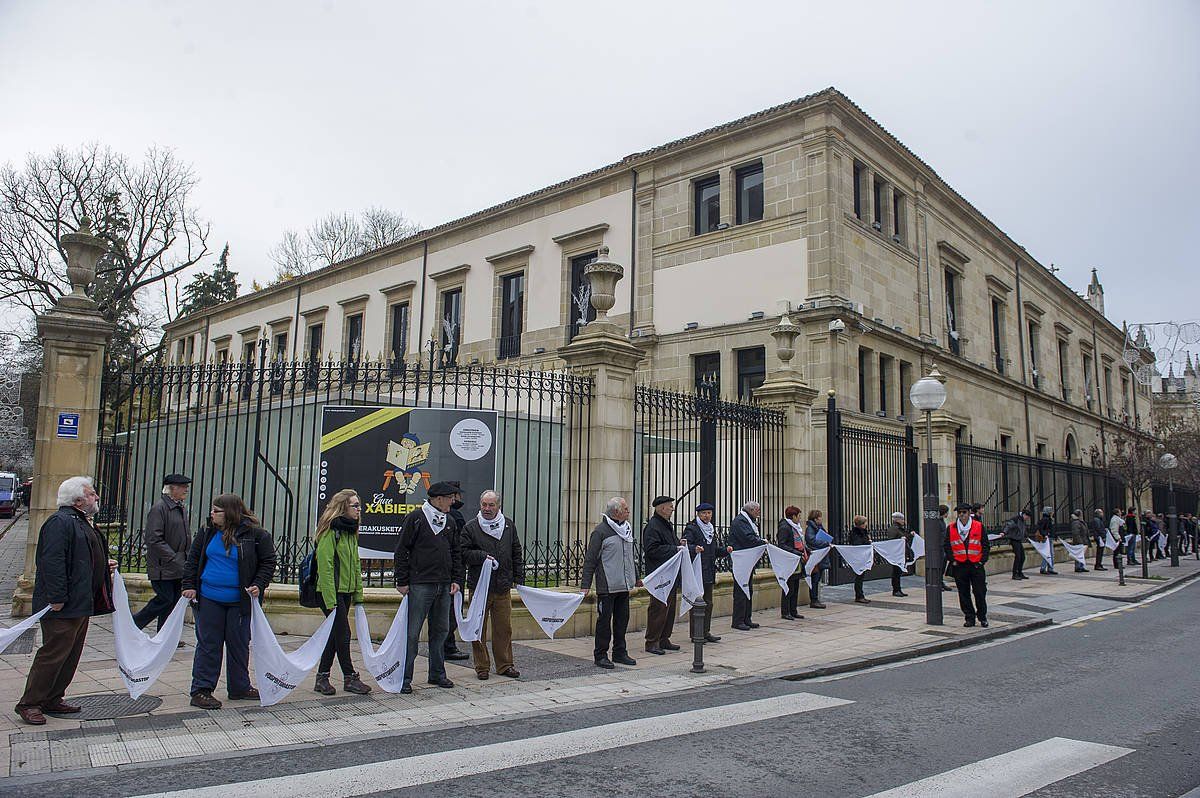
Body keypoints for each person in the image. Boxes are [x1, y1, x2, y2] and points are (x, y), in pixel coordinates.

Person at [15, 477, 116, 726]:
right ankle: (30, 703)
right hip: (64, 605)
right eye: (92, 494)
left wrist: (104, 566)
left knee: (70, 654)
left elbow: (83, 558)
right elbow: (52, 562)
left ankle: (53, 697)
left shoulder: (79, 522)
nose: (97, 498)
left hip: (80, 602)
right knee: (53, 653)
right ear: (78, 500)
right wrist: (57, 598)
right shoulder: (60, 522)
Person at [183, 494, 276, 710]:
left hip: (239, 600)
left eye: (217, 511)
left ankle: (239, 686)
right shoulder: (207, 533)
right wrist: (189, 585)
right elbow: (193, 560)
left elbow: (268, 562)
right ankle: (201, 690)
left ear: (231, 513)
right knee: (209, 644)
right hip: (209, 598)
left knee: (239, 644)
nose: (212, 514)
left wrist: (259, 584)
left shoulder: (256, 535)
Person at [394, 481, 463, 693]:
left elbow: (455, 552)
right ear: (438, 498)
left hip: (443, 584)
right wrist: (402, 581)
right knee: (412, 633)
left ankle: (437, 673)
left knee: (441, 630)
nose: (453, 502)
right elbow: (402, 550)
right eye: (450, 498)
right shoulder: (416, 518)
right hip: (420, 584)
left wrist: (457, 579)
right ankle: (404, 678)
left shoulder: (449, 521)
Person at [311, 489, 371, 696]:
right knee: (343, 634)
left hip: (344, 591)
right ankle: (350, 677)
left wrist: (357, 594)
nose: (359, 509)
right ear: (343, 507)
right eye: (355, 505)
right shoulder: (330, 531)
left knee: (336, 635)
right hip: (330, 592)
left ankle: (322, 678)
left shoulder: (350, 531)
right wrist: (330, 600)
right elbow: (325, 566)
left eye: (359, 505)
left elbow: (355, 563)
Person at [461, 489, 525, 680]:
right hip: (480, 587)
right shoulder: (471, 527)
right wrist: (481, 557)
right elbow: (463, 553)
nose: (487, 509)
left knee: (504, 628)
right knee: (478, 628)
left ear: (498, 506)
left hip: (502, 587)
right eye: (484, 505)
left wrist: (518, 577)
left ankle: (505, 665)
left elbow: (516, 551)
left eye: (491, 505)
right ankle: (482, 666)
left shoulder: (508, 526)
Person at [581, 497, 638, 669]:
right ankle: (601, 654)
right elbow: (590, 559)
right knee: (604, 622)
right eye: (626, 509)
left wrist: (636, 577)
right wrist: (585, 585)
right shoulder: (601, 532)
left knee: (622, 621)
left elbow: (630, 558)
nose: (629, 511)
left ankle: (620, 652)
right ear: (617, 512)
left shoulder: (626, 529)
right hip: (607, 586)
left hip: (624, 585)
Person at [133, 474, 193, 632]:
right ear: (172, 488)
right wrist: (173, 558)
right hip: (163, 566)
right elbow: (154, 539)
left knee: (173, 601)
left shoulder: (180, 507)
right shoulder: (159, 508)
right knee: (165, 599)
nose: (186, 489)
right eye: (183, 487)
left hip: (177, 565)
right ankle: (134, 624)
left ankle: (165, 634)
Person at [642, 495, 681, 655]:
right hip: (659, 574)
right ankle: (652, 642)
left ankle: (664, 638)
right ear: (662, 508)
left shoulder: (666, 525)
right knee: (658, 608)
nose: (672, 508)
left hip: (669, 573)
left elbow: (672, 543)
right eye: (670, 506)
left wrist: (680, 545)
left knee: (669, 608)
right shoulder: (653, 526)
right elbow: (652, 550)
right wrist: (674, 549)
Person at [944, 503, 991, 627]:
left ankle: (982, 616)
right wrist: (952, 560)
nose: (961, 515)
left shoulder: (979, 526)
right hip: (960, 565)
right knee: (963, 593)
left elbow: (985, 545)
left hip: (976, 565)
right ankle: (969, 617)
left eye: (964, 512)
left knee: (980, 592)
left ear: (969, 513)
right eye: (959, 513)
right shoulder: (951, 528)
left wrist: (982, 561)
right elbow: (947, 546)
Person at [681, 502, 722, 642]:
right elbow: (685, 545)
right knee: (697, 603)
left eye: (709, 513)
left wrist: (725, 551)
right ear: (698, 514)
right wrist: (694, 549)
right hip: (697, 572)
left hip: (709, 571)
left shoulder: (710, 529)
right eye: (704, 513)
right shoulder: (692, 528)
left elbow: (714, 550)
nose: (707, 516)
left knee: (708, 603)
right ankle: (696, 634)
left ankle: (706, 631)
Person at [441, 481, 471, 662]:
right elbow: (459, 546)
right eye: (456, 495)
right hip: (451, 572)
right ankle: (448, 646)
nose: (459, 499)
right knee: (451, 612)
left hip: (445, 572)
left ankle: (446, 645)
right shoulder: (455, 517)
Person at [729, 501, 766, 630]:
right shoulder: (741, 521)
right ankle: (738, 621)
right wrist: (762, 542)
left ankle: (746, 618)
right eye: (758, 511)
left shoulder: (747, 520)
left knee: (748, 590)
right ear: (751, 510)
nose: (759, 513)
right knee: (740, 591)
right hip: (741, 561)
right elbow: (748, 538)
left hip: (748, 561)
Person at [776, 506, 807, 620]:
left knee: (795, 586)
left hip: (796, 559)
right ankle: (785, 611)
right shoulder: (785, 527)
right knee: (789, 586)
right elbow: (782, 544)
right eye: (798, 516)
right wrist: (795, 552)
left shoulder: (795, 527)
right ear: (793, 516)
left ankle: (793, 610)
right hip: (789, 560)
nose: (800, 519)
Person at [804, 509, 830, 609]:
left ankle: (815, 599)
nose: (821, 519)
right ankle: (814, 600)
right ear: (815, 519)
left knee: (817, 578)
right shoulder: (811, 528)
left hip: (821, 556)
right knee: (815, 578)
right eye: (820, 517)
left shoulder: (817, 527)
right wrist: (825, 543)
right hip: (816, 556)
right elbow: (811, 540)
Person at [847, 515, 872, 604]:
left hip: (863, 557)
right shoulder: (856, 533)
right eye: (865, 523)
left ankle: (861, 595)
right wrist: (867, 542)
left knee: (861, 576)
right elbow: (857, 544)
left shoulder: (863, 532)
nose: (866, 524)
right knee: (859, 576)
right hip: (858, 557)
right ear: (861, 524)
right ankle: (859, 596)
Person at [888, 512, 913, 597]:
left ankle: (898, 589)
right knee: (896, 572)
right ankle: (896, 590)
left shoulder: (899, 528)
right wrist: (901, 538)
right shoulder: (893, 529)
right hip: (896, 554)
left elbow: (905, 537)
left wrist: (910, 535)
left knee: (898, 572)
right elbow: (892, 541)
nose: (903, 521)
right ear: (897, 519)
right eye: (902, 519)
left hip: (901, 553)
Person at [1003, 509, 1030, 580]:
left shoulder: (1022, 520)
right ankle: (1015, 574)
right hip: (1014, 539)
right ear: (1024, 514)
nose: (1027, 518)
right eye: (1027, 516)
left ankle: (1019, 572)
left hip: (1018, 539)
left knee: (1022, 557)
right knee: (1018, 556)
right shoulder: (1016, 519)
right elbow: (1008, 525)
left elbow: (1023, 529)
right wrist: (1004, 532)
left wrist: (1026, 535)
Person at [1035, 507, 1058, 575]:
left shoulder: (1048, 519)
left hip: (1049, 537)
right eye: (1051, 511)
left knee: (1049, 554)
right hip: (1047, 538)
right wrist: (1046, 534)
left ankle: (1049, 568)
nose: (1052, 512)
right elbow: (1042, 529)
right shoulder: (1046, 519)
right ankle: (1045, 568)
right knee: (1049, 554)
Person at [937, 504, 953, 591]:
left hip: (944, 546)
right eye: (947, 512)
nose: (948, 514)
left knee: (943, 566)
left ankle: (941, 582)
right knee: (939, 566)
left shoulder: (942, 521)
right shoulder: (937, 522)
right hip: (939, 547)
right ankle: (938, 583)